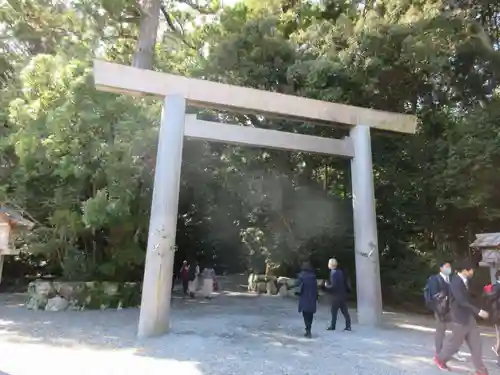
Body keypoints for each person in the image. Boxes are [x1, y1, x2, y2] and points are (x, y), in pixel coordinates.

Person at [434, 260, 490, 374]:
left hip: (469, 317)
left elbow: (470, 297)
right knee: (455, 343)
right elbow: (462, 301)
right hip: (458, 318)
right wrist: (478, 311)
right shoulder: (455, 282)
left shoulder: (467, 281)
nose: (473, 272)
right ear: (465, 271)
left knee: (476, 343)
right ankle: (440, 359)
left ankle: (480, 370)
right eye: (471, 270)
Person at [425, 261, 466, 362]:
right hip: (440, 309)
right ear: (441, 268)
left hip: (452, 310)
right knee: (440, 331)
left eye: (450, 267)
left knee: (458, 331)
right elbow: (434, 295)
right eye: (446, 266)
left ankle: (453, 351)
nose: (449, 268)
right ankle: (439, 353)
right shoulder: (434, 279)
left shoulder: (452, 279)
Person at [325, 258, 351, 331]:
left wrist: (327, 286)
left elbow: (334, 285)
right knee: (344, 311)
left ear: (330, 265)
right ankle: (348, 325)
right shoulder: (340, 272)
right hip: (342, 294)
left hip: (336, 295)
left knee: (334, 311)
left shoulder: (333, 273)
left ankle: (333, 326)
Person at [295, 261, 318, 338]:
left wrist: (288, 286)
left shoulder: (302, 275)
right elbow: (316, 288)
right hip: (312, 298)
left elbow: (296, 284)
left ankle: (307, 330)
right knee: (310, 314)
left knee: (305, 314)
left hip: (304, 297)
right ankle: (309, 329)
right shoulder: (313, 276)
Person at [482, 270, 500, 367]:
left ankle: (496, 348)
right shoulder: (498, 288)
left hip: (496, 316)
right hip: (498, 315)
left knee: (499, 337)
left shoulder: (493, 287)